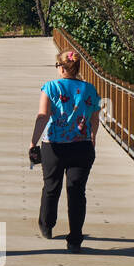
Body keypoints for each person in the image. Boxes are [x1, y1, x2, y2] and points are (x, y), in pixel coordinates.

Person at [30, 50, 101, 252]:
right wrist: (93, 137)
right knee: (77, 191)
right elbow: (95, 118)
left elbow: (43, 115)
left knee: (51, 187)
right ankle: (75, 238)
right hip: (82, 146)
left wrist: (33, 141)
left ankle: (47, 225)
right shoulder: (90, 89)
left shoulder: (50, 87)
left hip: (54, 145)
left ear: (61, 68)